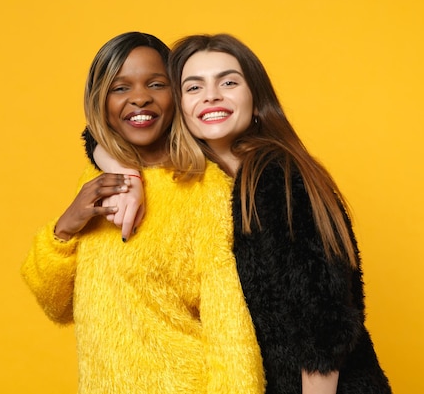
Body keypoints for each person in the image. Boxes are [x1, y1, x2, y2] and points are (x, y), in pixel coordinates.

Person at [93, 33, 392, 393]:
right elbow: (99, 130)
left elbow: (324, 327)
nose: (212, 96)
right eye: (193, 87)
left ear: (255, 97)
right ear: (178, 105)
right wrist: (127, 174)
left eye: (229, 82)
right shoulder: (207, 177)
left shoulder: (277, 178)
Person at [21, 32, 265, 394]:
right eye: (120, 88)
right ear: (100, 101)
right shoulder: (97, 182)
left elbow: (230, 324)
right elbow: (56, 306)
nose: (139, 98)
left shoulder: (204, 188)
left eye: (156, 84)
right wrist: (65, 227)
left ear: (177, 95)